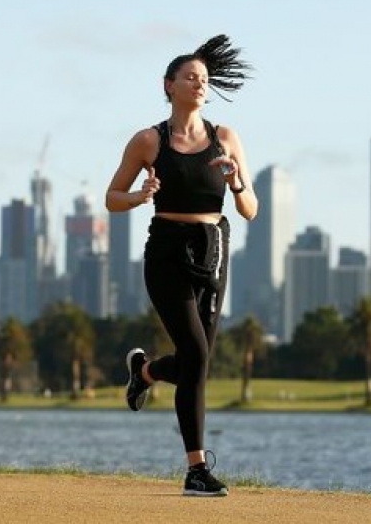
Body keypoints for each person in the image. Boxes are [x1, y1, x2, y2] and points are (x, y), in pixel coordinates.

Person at [104, 34, 258, 497]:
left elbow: (251, 209)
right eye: (189, 76)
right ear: (168, 85)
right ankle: (196, 469)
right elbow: (112, 198)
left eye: (204, 79)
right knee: (196, 354)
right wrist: (140, 196)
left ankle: (145, 372)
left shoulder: (226, 138)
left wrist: (235, 184)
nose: (198, 83)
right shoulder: (148, 141)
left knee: (198, 360)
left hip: (213, 247)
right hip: (167, 250)